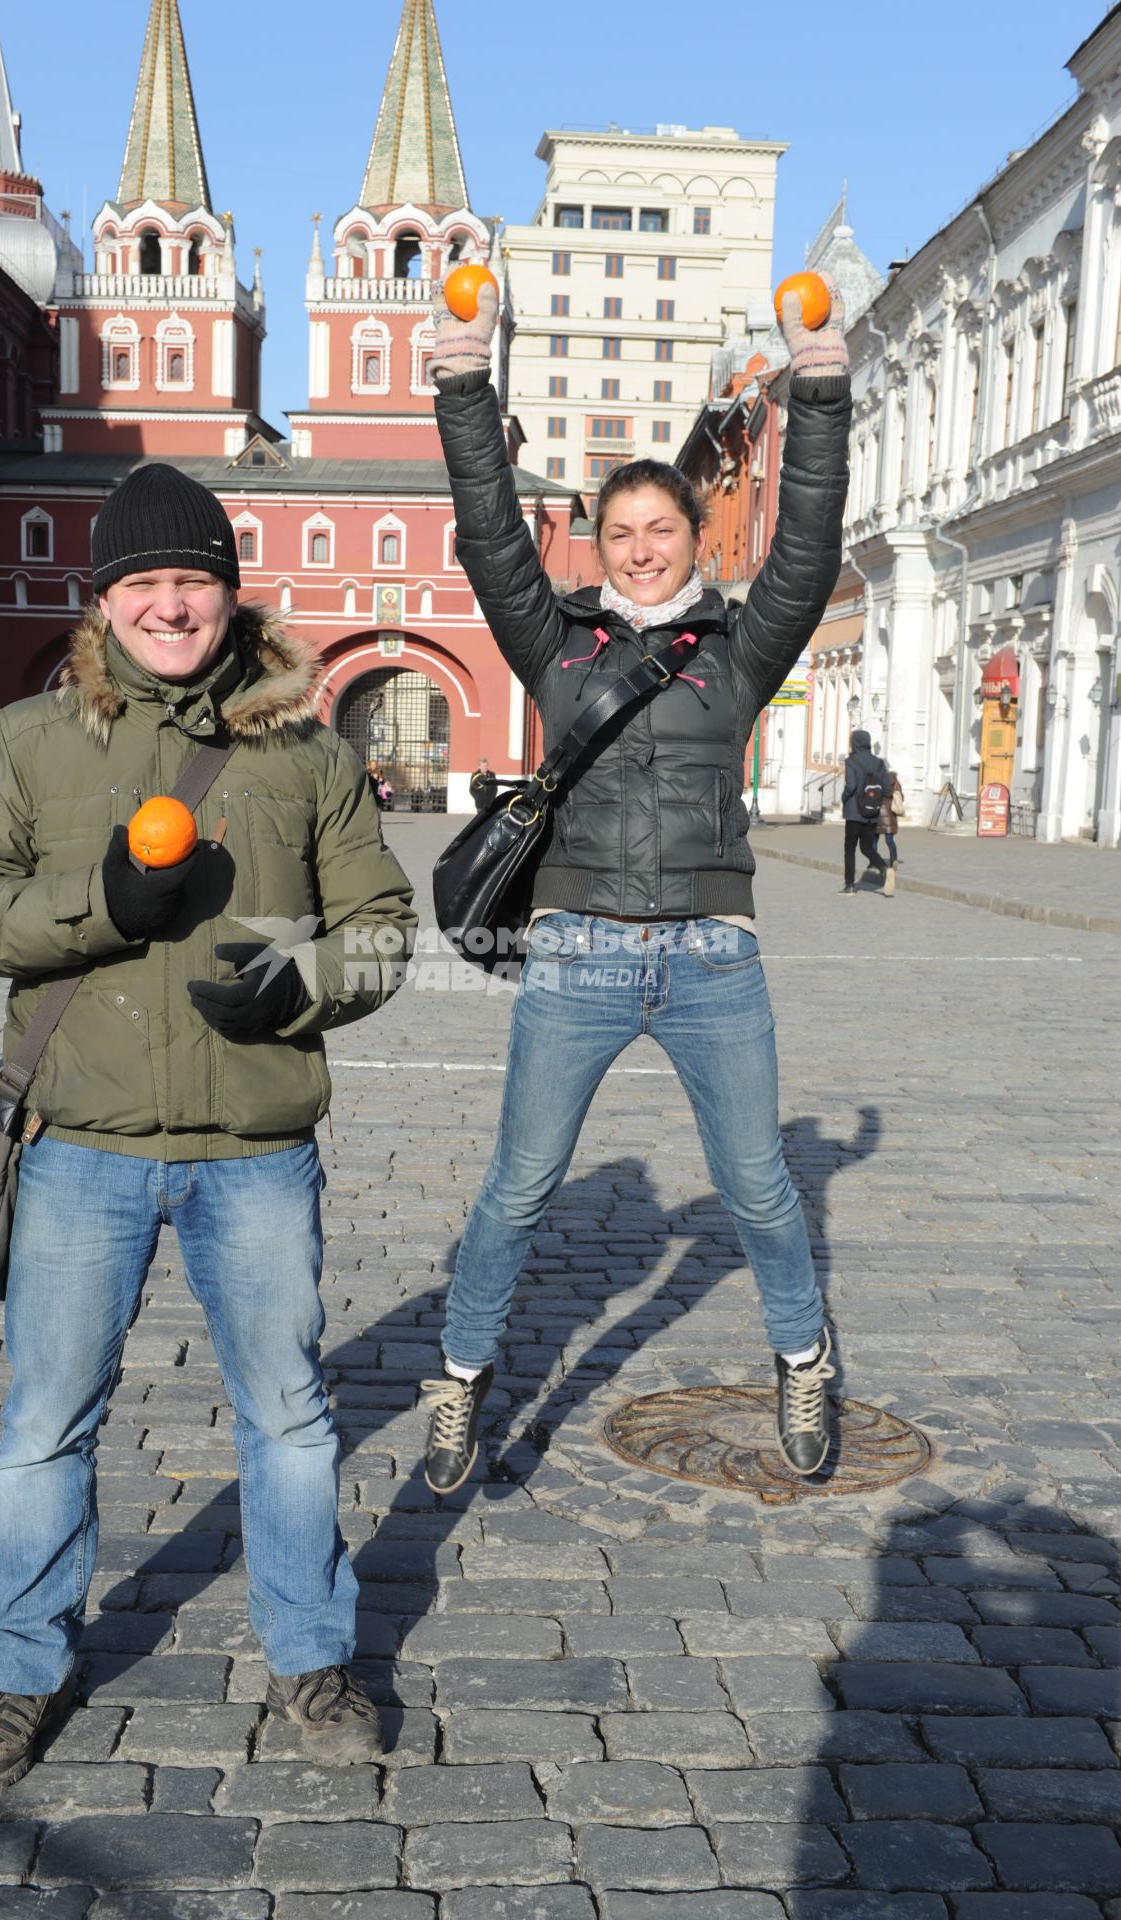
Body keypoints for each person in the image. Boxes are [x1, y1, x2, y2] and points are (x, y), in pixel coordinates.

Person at [0, 464, 416, 1791]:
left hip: (256, 1153)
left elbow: (379, 925)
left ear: (227, 594)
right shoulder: (30, 743)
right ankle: (20, 1676)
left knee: (292, 1419)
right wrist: (103, 905)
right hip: (81, 1149)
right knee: (44, 1424)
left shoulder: (305, 749)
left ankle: (314, 1658)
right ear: (106, 601)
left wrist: (297, 986)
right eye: (145, 583)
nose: (171, 604)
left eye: (192, 579)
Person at [418, 274, 851, 1494]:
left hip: (714, 958)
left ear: (694, 540)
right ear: (599, 548)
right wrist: (463, 383)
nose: (643, 549)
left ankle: (802, 1356)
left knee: (761, 1190)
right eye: (621, 534)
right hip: (578, 958)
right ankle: (458, 1381)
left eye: (662, 530)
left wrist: (816, 391)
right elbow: (490, 535)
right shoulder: (558, 649)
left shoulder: (740, 650)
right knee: (515, 1188)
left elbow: (807, 544)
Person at [841, 730, 895, 896]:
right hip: (872, 813)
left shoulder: (851, 761)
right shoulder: (879, 763)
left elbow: (851, 785)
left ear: (854, 743)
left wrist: (844, 798)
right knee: (866, 847)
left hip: (854, 812)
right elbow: (887, 788)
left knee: (850, 848)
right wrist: (876, 801)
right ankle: (885, 869)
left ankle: (850, 886)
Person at [881, 769, 905, 868]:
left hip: (878, 816)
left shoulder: (879, 782)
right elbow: (901, 798)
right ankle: (894, 860)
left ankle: (873, 862)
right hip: (891, 816)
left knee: (873, 840)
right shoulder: (896, 785)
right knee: (889, 840)